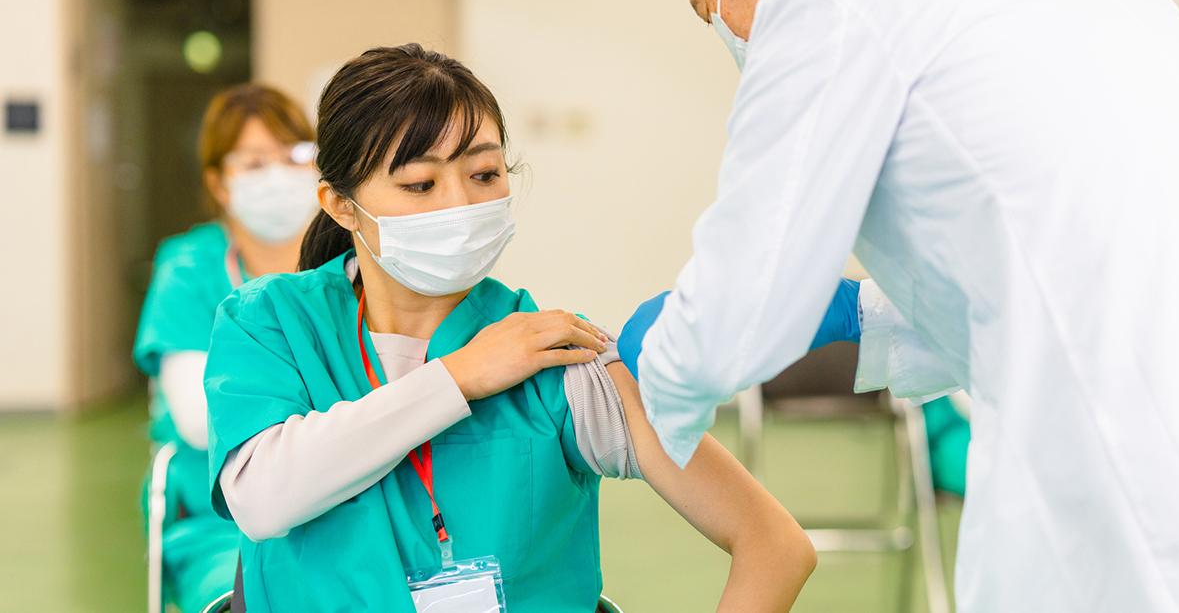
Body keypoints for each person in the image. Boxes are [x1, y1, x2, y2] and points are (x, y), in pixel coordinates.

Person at [617, 0, 1179, 610]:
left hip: (1125, 449)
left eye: (710, 11)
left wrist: (661, 358)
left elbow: (728, 320)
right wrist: (862, 317)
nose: (728, 32)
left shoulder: (823, 6)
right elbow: (1043, 265)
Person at [203, 44, 816, 612]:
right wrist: (461, 376)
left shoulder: (560, 358)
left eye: (485, 174)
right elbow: (262, 498)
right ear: (341, 205)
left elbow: (774, 544)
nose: (460, 205)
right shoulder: (269, 323)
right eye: (420, 184)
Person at [133, 84, 318, 613]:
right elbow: (199, 420)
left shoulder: (347, 262)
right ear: (218, 181)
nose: (279, 176)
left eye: (294, 157)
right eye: (255, 163)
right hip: (223, 514)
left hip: (349, 494)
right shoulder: (191, 268)